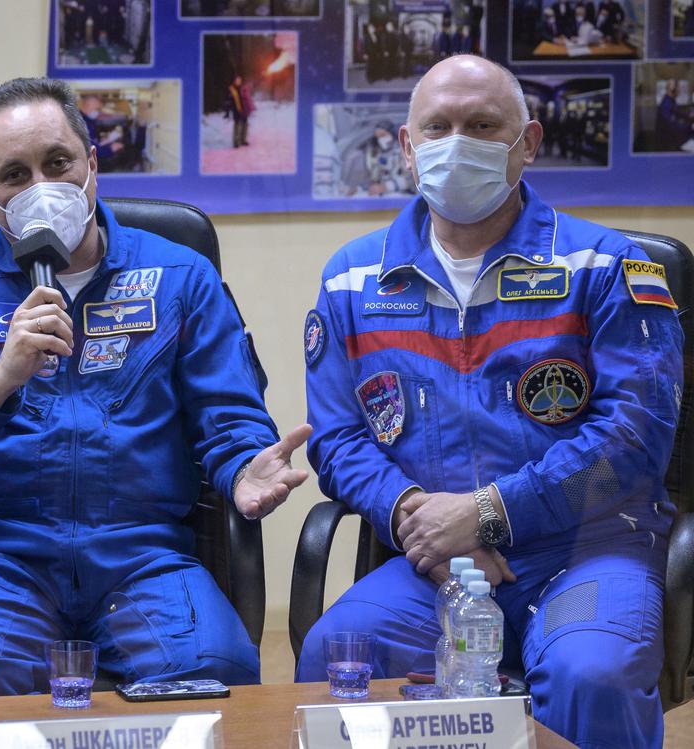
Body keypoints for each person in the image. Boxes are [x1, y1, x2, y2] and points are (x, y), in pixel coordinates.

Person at [0, 77, 309, 695]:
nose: (41, 188)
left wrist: (242, 469)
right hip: (1, 560)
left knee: (215, 678)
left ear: (92, 165)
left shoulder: (179, 277)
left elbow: (228, 415)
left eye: (58, 163)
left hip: (143, 557)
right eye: (15, 174)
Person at [298, 55, 680, 749]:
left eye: (481, 125)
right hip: (435, 563)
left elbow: (637, 435)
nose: (457, 142)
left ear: (527, 143)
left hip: (585, 552)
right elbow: (337, 438)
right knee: (339, 652)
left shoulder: (605, 267)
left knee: (591, 673)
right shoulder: (353, 280)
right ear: (408, 148)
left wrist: (486, 513)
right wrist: (418, 519)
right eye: (437, 128)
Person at [340, 120, 411, 197]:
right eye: (378, 137)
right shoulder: (375, 154)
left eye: (383, 135)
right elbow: (373, 180)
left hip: (402, 197)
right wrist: (358, 189)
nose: (380, 139)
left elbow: (410, 179)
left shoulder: (403, 152)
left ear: (391, 134)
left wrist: (386, 187)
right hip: (381, 197)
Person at [227, 74, 254, 148]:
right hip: (236, 110)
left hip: (244, 109)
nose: (238, 82)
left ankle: (243, 140)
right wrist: (228, 111)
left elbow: (247, 97)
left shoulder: (242, 88)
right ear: (234, 81)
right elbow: (229, 101)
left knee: (245, 124)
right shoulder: (231, 89)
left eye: (239, 80)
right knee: (237, 125)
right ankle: (236, 141)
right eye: (237, 80)